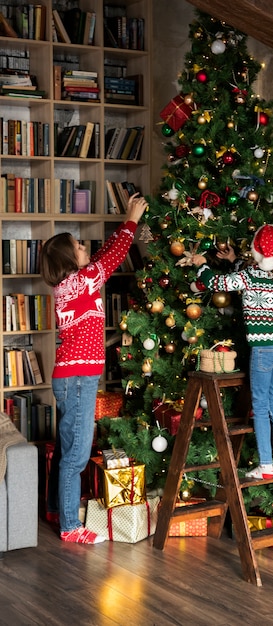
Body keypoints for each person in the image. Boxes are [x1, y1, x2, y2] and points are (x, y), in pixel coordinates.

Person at [40, 193, 148, 544]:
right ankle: (71, 527)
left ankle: (59, 512)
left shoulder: (75, 282)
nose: (86, 248)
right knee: (77, 454)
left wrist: (125, 224)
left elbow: (102, 257)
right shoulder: (80, 282)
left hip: (74, 378)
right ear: (70, 258)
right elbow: (113, 257)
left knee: (69, 451)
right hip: (77, 380)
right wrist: (131, 221)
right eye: (79, 246)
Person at [193, 224, 273, 479]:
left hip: (262, 351)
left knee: (259, 406)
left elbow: (218, 282)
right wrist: (234, 259)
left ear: (256, 251)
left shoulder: (250, 277)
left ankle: (266, 466)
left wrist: (201, 264)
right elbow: (248, 270)